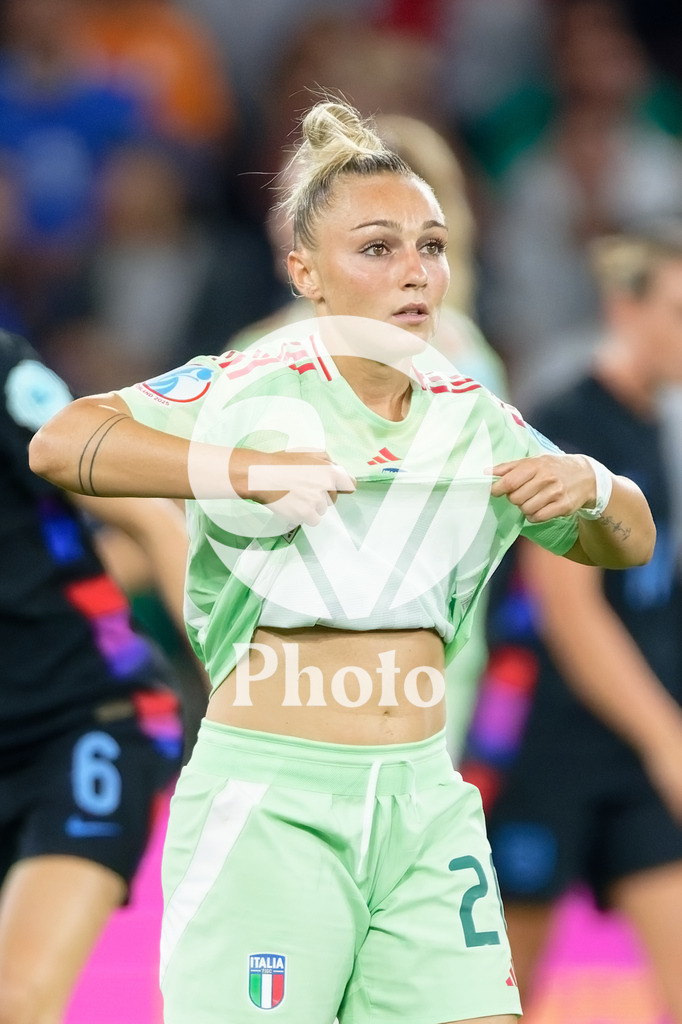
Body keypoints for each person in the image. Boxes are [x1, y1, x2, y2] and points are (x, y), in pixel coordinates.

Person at [29, 101, 655, 1024]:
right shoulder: (250, 384)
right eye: (378, 249)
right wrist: (240, 471)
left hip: (423, 795)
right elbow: (61, 440)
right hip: (272, 800)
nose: (415, 271)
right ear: (305, 273)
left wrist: (595, 487)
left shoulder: (471, 407)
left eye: (431, 246)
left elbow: (627, 539)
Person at [475, 227, 682, 1020]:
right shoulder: (568, 427)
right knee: (502, 996)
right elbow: (571, 615)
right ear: (623, 308)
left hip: (632, 745)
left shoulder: (651, 425)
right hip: (548, 744)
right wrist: (668, 740)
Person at [0, 328, 192, 1024]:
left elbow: (155, 522)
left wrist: (243, 699)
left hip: (85, 721)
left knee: (15, 1000)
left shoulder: (5, 372)